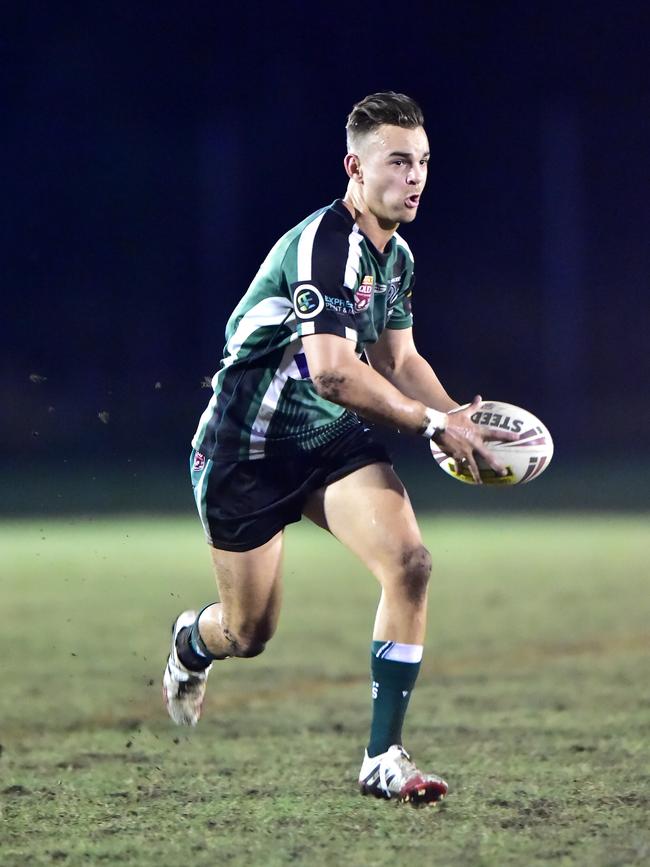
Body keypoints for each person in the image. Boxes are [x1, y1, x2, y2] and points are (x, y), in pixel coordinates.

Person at [163, 91, 512, 804]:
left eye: (422, 163)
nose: (413, 178)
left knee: (410, 562)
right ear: (354, 166)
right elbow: (331, 367)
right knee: (249, 630)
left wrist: (455, 416)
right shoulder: (326, 244)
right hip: (245, 447)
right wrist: (427, 424)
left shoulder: (396, 256)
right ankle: (192, 643)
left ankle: (383, 756)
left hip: (325, 436)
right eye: (396, 162)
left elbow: (398, 357)